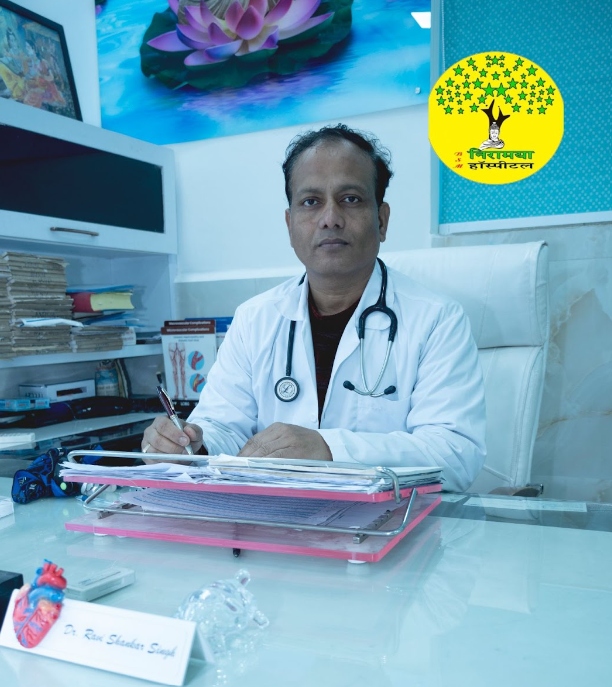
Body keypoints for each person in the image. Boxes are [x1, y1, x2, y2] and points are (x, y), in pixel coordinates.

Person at [142, 125, 486, 491]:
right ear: (290, 224)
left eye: (350, 198)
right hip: (275, 517)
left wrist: (329, 449)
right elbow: (224, 427)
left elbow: (455, 456)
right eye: (310, 202)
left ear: (381, 220)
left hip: (392, 520)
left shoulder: (436, 320)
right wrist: (189, 443)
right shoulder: (255, 318)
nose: (330, 218)